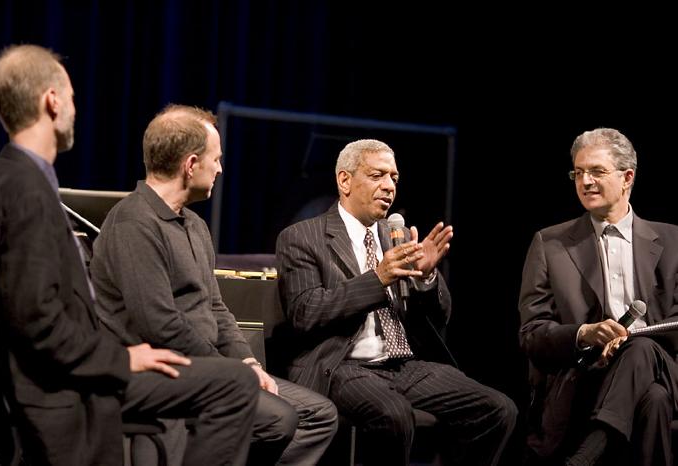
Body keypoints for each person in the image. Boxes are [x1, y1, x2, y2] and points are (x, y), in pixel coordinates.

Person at [0, 44, 260, 466]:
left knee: (235, 379)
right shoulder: (26, 191)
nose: (75, 107)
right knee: (235, 383)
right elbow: (34, 318)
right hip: (61, 386)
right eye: (72, 96)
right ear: (52, 101)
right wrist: (121, 356)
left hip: (54, 371)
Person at [89, 104, 338, 465]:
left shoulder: (195, 226)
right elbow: (160, 325)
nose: (220, 168)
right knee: (279, 418)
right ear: (190, 165)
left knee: (318, 416)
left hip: (213, 366)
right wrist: (231, 371)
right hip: (169, 371)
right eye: (216, 159)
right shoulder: (134, 223)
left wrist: (248, 361)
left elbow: (217, 309)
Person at [274, 138, 518, 466]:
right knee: (394, 416)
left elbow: (439, 318)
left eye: (394, 178)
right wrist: (378, 278)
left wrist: (425, 278)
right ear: (344, 180)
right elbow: (306, 312)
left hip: (403, 365)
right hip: (341, 365)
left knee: (498, 409)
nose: (389, 186)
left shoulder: (396, 236)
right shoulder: (303, 237)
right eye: (378, 176)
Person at [519, 127, 678, 466]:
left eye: (597, 171)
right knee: (655, 401)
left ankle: (586, 456)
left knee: (641, 347)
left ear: (627, 177)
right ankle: (596, 445)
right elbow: (531, 334)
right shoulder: (550, 244)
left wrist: (629, 340)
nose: (585, 181)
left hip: (662, 365)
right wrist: (584, 333)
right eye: (578, 173)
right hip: (586, 376)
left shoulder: (674, 241)